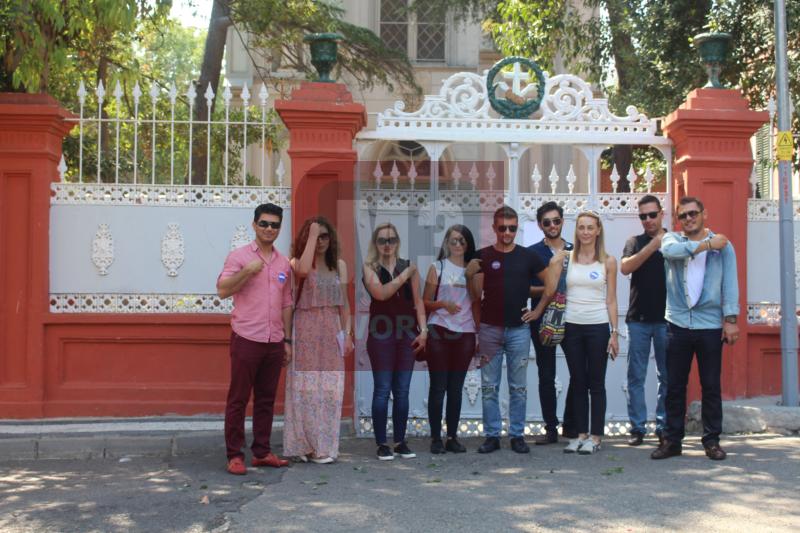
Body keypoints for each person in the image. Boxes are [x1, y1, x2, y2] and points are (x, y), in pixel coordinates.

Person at [652, 197, 739, 461]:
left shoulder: (724, 246)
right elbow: (671, 253)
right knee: (674, 386)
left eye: (693, 213)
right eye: (683, 215)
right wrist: (707, 245)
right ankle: (672, 441)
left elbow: (730, 283)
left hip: (709, 324)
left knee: (710, 385)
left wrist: (731, 319)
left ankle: (712, 441)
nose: (688, 218)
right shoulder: (672, 240)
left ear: (704, 214)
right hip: (677, 323)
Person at [466, 205, 551, 455]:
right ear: (494, 228)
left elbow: (551, 284)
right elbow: (474, 296)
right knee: (489, 387)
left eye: (512, 228)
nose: (507, 233)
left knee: (518, 388)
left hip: (519, 331)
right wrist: (469, 276)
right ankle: (492, 436)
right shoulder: (482, 256)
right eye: (502, 228)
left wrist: (537, 311)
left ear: (517, 228)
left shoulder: (528, 256)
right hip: (489, 329)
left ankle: (517, 436)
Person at [217, 203, 292, 475]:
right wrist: (247, 271)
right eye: (264, 224)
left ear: (279, 228)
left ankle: (261, 452)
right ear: (254, 225)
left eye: (274, 225)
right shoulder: (239, 257)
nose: (269, 229)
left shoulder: (283, 263)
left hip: (274, 340)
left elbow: (286, 302)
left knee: (266, 399)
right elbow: (222, 290)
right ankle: (235, 455)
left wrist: (287, 341)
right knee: (238, 399)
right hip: (247, 337)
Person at [283, 217, 353, 464]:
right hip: (305, 329)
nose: (321, 240)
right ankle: (302, 444)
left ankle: (323, 446)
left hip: (330, 329)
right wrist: (311, 237)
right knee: (304, 389)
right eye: (316, 236)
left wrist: (347, 334)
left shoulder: (339, 266)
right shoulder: (296, 263)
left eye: (325, 235)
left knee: (330, 389)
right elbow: (302, 271)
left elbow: (344, 303)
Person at [553, 210, 619, 455]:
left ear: (598, 230)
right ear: (576, 230)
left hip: (598, 327)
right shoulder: (567, 258)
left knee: (596, 383)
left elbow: (611, 299)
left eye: (590, 227)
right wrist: (556, 259)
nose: (586, 232)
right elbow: (550, 282)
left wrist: (614, 332)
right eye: (581, 227)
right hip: (571, 327)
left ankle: (596, 436)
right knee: (578, 381)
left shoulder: (608, 261)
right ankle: (580, 435)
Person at [363, 222, 427, 461]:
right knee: (382, 389)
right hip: (381, 335)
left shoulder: (408, 266)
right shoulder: (369, 267)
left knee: (402, 390)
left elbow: (418, 301)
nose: (387, 244)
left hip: (407, 333)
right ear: (376, 243)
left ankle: (400, 442)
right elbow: (381, 294)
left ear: (397, 242)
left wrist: (424, 330)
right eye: (382, 240)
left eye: (391, 240)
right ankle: (382, 443)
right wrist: (405, 275)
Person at [423, 225, 478, 454]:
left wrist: (479, 335)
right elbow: (425, 302)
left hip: (465, 333)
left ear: (468, 244)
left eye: (462, 240)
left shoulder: (473, 268)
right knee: (438, 387)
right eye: (453, 240)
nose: (457, 244)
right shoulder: (438, 267)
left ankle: (452, 437)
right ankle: (436, 438)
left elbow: (477, 300)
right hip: (440, 329)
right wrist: (443, 304)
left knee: (455, 388)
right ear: (446, 243)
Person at [621, 195, 668, 446]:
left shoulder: (674, 240)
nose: (648, 220)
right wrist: (652, 246)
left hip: (668, 320)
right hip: (638, 319)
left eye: (652, 214)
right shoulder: (634, 242)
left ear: (662, 213)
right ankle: (637, 428)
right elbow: (625, 268)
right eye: (643, 216)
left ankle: (664, 427)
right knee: (636, 377)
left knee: (667, 377)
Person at [527, 201, 575, 445]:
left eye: (556, 221)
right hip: (543, 318)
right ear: (540, 225)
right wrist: (550, 289)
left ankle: (571, 424)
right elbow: (525, 287)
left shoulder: (576, 250)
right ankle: (551, 429)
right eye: (547, 222)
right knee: (546, 375)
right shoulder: (532, 253)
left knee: (579, 372)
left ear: (562, 221)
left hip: (573, 318)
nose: (552, 225)